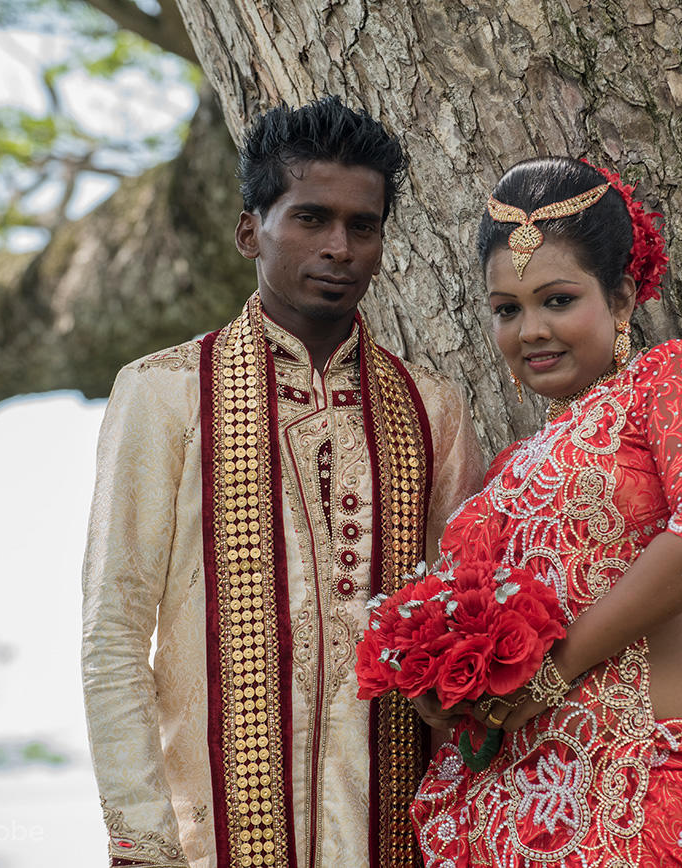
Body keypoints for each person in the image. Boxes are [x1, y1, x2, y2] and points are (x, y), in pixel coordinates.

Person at [81, 96, 485, 868]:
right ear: (249, 231)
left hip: (395, 840)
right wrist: (142, 843)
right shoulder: (164, 393)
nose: (338, 246)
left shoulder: (432, 409)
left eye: (361, 227)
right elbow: (115, 630)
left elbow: (458, 626)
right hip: (209, 845)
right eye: (309, 218)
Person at [409, 157, 682, 867]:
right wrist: (444, 689)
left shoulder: (672, 377)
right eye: (508, 309)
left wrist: (554, 673)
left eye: (557, 300)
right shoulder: (506, 471)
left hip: (653, 768)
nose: (530, 328)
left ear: (623, 299)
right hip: (518, 801)